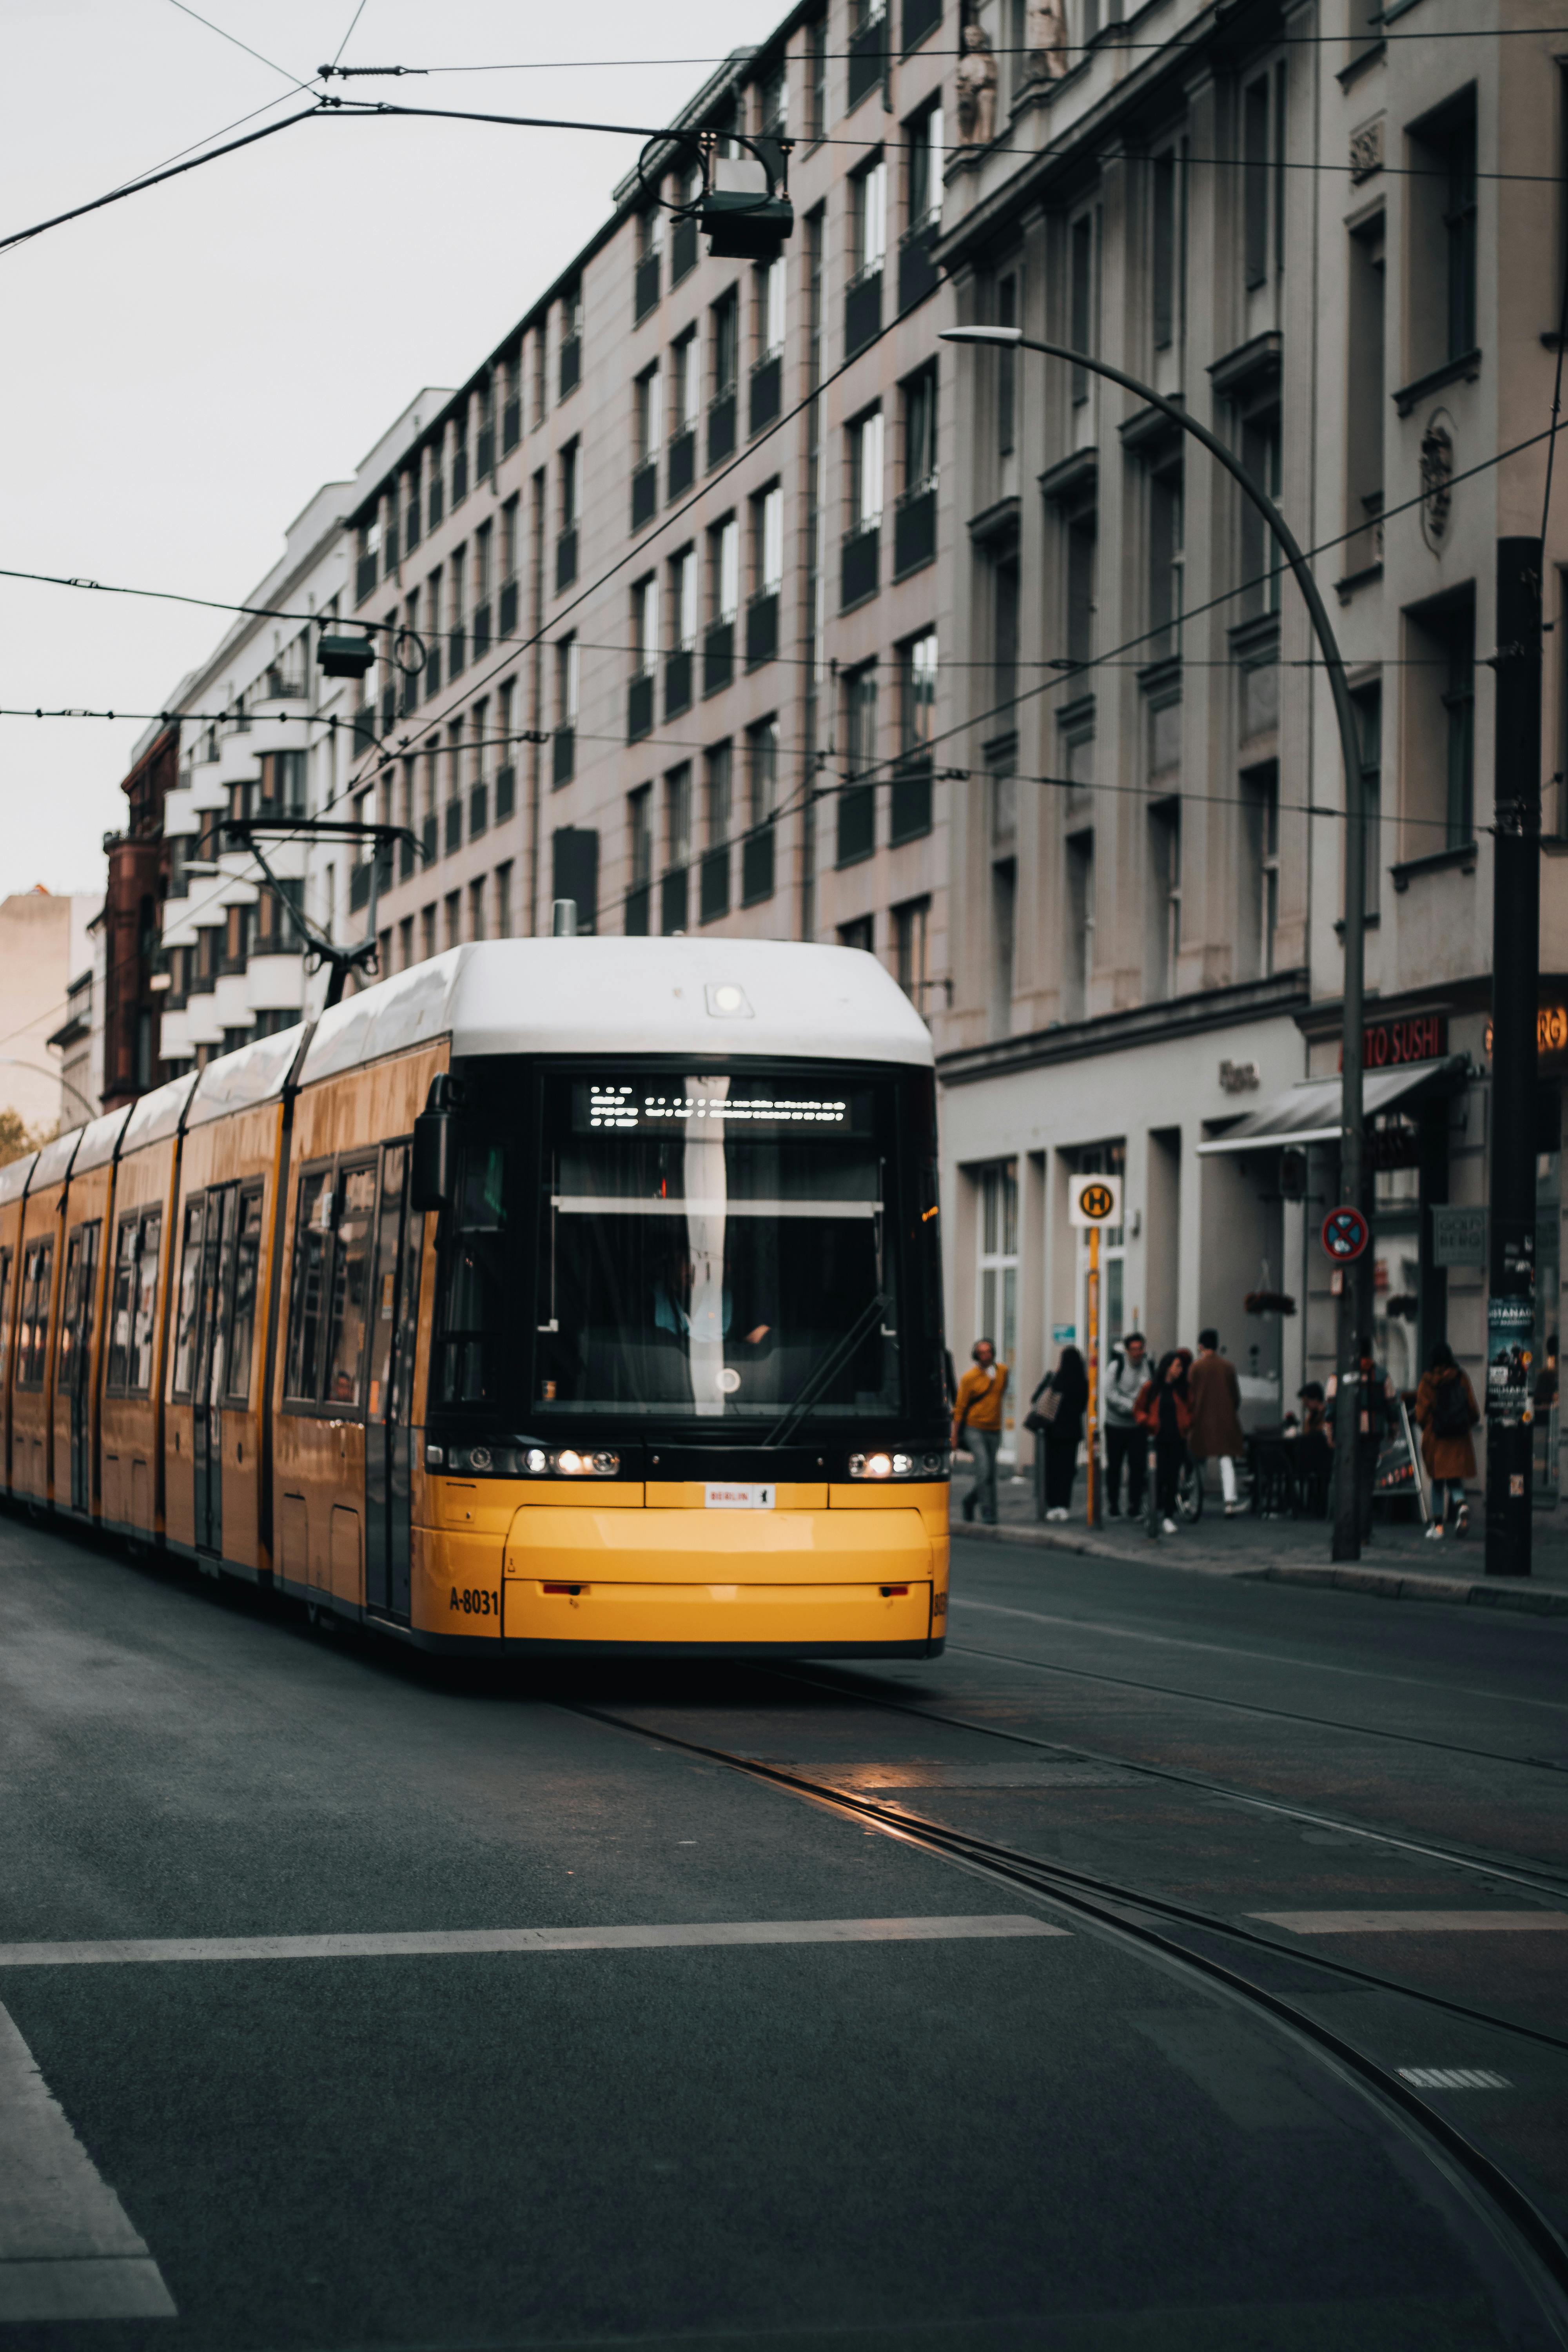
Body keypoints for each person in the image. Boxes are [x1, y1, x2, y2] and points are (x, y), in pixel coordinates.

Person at [1326, 1334, 1396, 1539]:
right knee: (1366, 1484)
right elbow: (1392, 1406)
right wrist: (1393, 1430)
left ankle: (1344, 1530)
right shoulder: (1382, 1376)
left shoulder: (1338, 1376)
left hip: (1347, 1437)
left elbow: (1331, 1409)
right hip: (1373, 1435)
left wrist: (1330, 1434)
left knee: (1346, 1481)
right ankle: (1364, 1532)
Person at [1415, 1339, 1479, 1537]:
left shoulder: (1428, 1381)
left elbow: (1421, 1414)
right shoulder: (1460, 1377)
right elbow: (1473, 1409)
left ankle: (1438, 1527)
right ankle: (1461, 1504)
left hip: (1437, 1436)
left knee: (1437, 1482)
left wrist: (1427, 1424)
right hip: (1458, 1436)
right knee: (1453, 1478)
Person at [1188, 1328, 1248, 1516]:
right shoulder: (1228, 1367)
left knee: (1199, 1462)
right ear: (1217, 1345)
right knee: (1227, 1461)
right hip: (1225, 1420)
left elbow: (1190, 1396)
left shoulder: (1196, 1368)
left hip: (1201, 1421)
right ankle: (1229, 1504)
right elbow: (1236, 1397)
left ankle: (1193, 1503)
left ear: (1200, 1346)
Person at [953, 1337, 1008, 1524]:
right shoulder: (969, 1378)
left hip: (994, 1429)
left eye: (989, 1352)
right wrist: (954, 1436)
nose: (986, 1356)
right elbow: (959, 1408)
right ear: (976, 1356)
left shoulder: (1003, 1372)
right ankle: (988, 1513)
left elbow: (1001, 1394)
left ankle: (970, 1502)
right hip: (974, 1429)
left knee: (991, 1474)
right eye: (981, 1353)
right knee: (983, 1471)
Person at [1030, 1344, 1088, 1521]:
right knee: (1067, 1470)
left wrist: (1051, 1378)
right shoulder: (1083, 1382)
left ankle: (1051, 1503)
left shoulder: (1055, 1379)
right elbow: (1082, 1407)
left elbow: (1035, 1399)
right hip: (1072, 1433)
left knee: (1052, 1469)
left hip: (1052, 1432)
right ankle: (1063, 1505)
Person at [1141, 1347, 1193, 1535]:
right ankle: (1154, 1514)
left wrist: (1187, 1424)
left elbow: (1191, 1410)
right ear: (1168, 1367)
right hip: (1157, 1441)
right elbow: (1139, 1409)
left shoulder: (1183, 1389)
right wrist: (1147, 1422)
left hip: (1177, 1440)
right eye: (1177, 1366)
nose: (1180, 1370)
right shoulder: (1152, 1388)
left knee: (1172, 1480)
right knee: (1157, 1479)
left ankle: (1168, 1517)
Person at [1102, 1332, 1149, 1517]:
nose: (1138, 1353)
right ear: (1127, 1351)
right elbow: (1110, 1395)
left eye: (1140, 1349)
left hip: (1138, 1427)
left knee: (1138, 1467)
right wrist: (1134, 1407)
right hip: (1116, 1426)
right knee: (1115, 1466)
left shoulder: (1148, 1367)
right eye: (1134, 1350)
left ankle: (1134, 1505)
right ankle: (1114, 1504)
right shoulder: (1116, 1367)